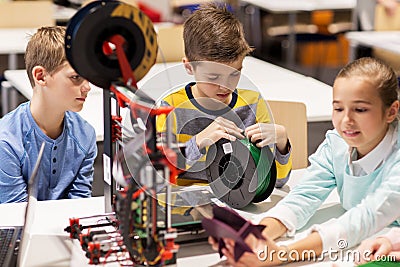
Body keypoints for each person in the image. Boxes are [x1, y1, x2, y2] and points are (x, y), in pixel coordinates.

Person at [211, 57, 400, 266]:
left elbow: (364, 219)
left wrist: (282, 253)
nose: (346, 120)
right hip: (371, 241)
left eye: (360, 109)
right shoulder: (337, 143)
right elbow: (304, 195)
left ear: (391, 111)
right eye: (338, 109)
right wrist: (258, 235)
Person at [156, 3, 292, 187]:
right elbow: (158, 176)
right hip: (185, 206)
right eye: (213, 76)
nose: (225, 85)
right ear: (189, 66)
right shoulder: (169, 107)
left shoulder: (252, 104)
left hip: (239, 204)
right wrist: (198, 142)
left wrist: (282, 144)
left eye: (235, 73)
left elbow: (277, 182)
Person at [0, 26, 97, 203]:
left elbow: (80, 205)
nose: (87, 87)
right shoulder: (6, 142)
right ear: (41, 76)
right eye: (76, 77)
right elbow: (18, 217)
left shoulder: (85, 136)